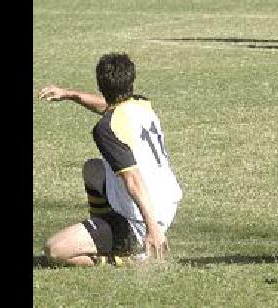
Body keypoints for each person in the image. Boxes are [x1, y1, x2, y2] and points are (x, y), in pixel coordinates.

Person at [38, 52, 183, 267]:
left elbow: (132, 179)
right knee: (93, 169)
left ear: (100, 84)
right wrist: (70, 94)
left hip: (143, 218)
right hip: (167, 202)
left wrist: (152, 229)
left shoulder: (106, 129)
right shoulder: (142, 105)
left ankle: (126, 254)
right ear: (131, 80)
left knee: (56, 250)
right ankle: (107, 230)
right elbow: (107, 107)